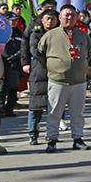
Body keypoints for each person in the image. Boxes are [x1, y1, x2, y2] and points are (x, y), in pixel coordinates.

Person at [36, 4, 91, 152]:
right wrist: (54, 67)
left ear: (77, 17)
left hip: (79, 81)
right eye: (66, 15)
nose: (69, 18)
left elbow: (90, 53)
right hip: (57, 81)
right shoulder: (50, 35)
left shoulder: (83, 35)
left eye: (72, 15)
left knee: (78, 113)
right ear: (60, 18)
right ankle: (52, 139)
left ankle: (78, 139)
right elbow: (40, 54)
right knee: (54, 112)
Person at [26, 9, 58, 144]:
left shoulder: (61, 34)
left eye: (53, 19)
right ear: (42, 20)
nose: (50, 21)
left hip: (56, 72)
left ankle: (51, 134)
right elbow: (35, 50)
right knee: (35, 107)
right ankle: (33, 134)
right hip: (38, 71)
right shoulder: (35, 33)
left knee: (54, 107)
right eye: (47, 18)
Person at [1, 12, 24, 117]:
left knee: (13, 87)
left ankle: (9, 109)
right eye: (11, 20)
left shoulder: (19, 34)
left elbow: (23, 47)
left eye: (15, 20)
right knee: (1, 88)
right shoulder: (1, 32)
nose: (14, 22)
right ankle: (1, 109)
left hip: (14, 64)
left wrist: (16, 56)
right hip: (3, 64)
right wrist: (6, 56)